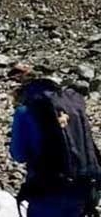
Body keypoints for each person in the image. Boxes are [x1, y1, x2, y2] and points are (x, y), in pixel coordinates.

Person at [10, 76, 101, 217]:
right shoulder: (73, 108)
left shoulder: (25, 111)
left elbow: (18, 154)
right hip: (81, 189)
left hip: (46, 190)